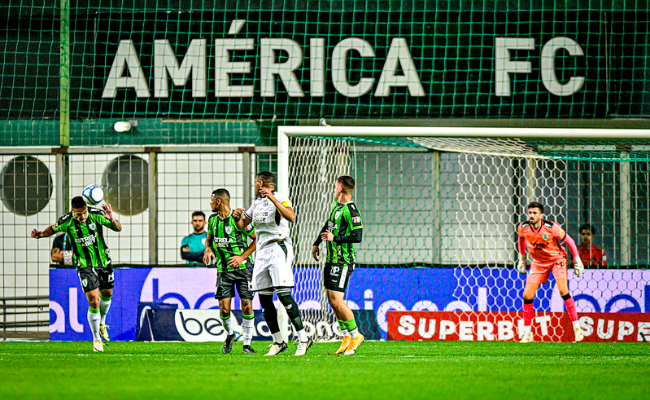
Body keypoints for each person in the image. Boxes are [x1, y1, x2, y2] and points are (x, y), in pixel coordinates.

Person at [233, 171, 313, 356]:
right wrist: (238, 216)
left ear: (261, 183)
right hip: (261, 252)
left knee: (284, 295)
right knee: (265, 300)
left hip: (278, 247)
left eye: (255, 183)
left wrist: (273, 199)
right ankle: (278, 342)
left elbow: (291, 217)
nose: (255, 186)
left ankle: (303, 339)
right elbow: (242, 225)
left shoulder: (281, 198)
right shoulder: (256, 203)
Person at [31, 196, 122, 352]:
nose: (82, 217)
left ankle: (102, 323)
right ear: (73, 211)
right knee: (94, 300)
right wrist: (40, 234)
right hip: (84, 266)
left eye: (84, 213)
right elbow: (52, 229)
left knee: (107, 294)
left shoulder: (97, 214)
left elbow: (118, 228)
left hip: (103, 262)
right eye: (78, 214)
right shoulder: (67, 221)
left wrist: (112, 219)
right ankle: (96, 339)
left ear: (87, 208)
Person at [517, 202, 585, 343]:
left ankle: (577, 329)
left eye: (535, 213)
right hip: (538, 263)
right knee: (527, 294)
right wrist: (521, 259)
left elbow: (570, 241)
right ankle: (528, 334)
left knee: (563, 291)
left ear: (541, 215)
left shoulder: (552, 228)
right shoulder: (523, 228)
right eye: (530, 212)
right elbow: (521, 239)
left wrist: (577, 260)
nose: (531, 215)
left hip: (557, 260)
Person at [311, 175, 365, 356]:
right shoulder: (336, 206)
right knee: (332, 301)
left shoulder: (351, 210)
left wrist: (336, 238)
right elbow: (328, 225)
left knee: (337, 301)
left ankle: (356, 335)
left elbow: (357, 237)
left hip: (343, 261)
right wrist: (317, 242)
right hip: (331, 259)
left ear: (341, 189)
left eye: (335, 186)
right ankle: (345, 337)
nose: (334, 189)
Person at [203, 189, 258, 354]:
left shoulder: (238, 219)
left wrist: (242, 257)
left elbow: (257, 239)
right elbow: (209, 239)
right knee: (224, 309)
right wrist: (208, 250)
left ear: (218, 201)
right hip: (223, 270)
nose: (210, 203)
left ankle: (247, 345)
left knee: (247, 305)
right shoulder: (212, 220)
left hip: (243, 269)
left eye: (211, 200)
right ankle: (230, 334)